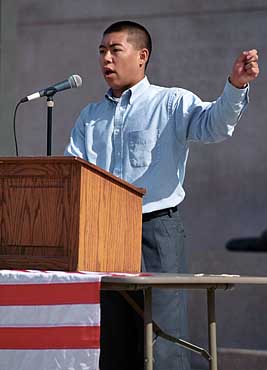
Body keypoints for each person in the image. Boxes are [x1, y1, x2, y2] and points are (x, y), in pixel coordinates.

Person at [65, 20, 259, 370]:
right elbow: (72, 172)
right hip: (103, 234)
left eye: (114, 50)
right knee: (112, 335)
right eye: (101, 51)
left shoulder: (169, 102)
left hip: (156, 229)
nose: (105, 59)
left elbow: (213, 125)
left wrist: (235, 86)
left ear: (142, 56)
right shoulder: (90, 117)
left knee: (163, 338)